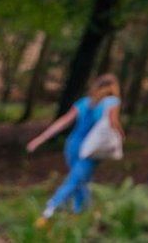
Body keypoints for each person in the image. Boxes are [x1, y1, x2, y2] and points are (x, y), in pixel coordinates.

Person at [26, 74, 124, 226]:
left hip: (72, 145)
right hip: (91, 148)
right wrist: (121, 135)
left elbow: (64, 121)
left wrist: (41, 138)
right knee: (75, 180)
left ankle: (82, 215)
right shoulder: (112, 102)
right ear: (114, 87)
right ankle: (50, 210)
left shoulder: (84, 102)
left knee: (81, 180)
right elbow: (113, 123)